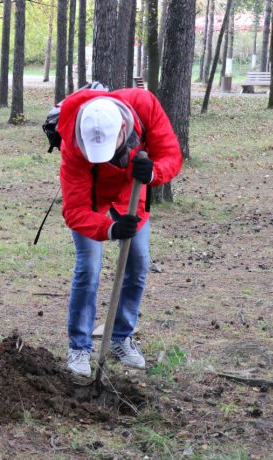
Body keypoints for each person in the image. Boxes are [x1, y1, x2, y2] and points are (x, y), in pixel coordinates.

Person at [58, 88, 183, 377]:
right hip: (92, 200)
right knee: (88, 267)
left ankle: (120, 337)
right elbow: (75, 210)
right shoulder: (73, 143)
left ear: (123, 129)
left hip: (132, 190)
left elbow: (171, 156)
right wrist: (109, 229)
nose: (101, 159)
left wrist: (153, 173)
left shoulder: (144, 107)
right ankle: (79, 345)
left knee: (138, 262)